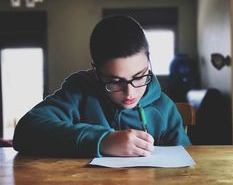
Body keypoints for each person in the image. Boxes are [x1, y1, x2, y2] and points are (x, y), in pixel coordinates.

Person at [13, 15, 191, 157]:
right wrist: (103, 140)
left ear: (148, 62)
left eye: (139, 77)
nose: (130, 92)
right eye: (115, 81)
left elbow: (187, 164)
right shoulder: (79, 91)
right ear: (96, 72)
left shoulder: (164, 107)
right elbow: (25, 132)